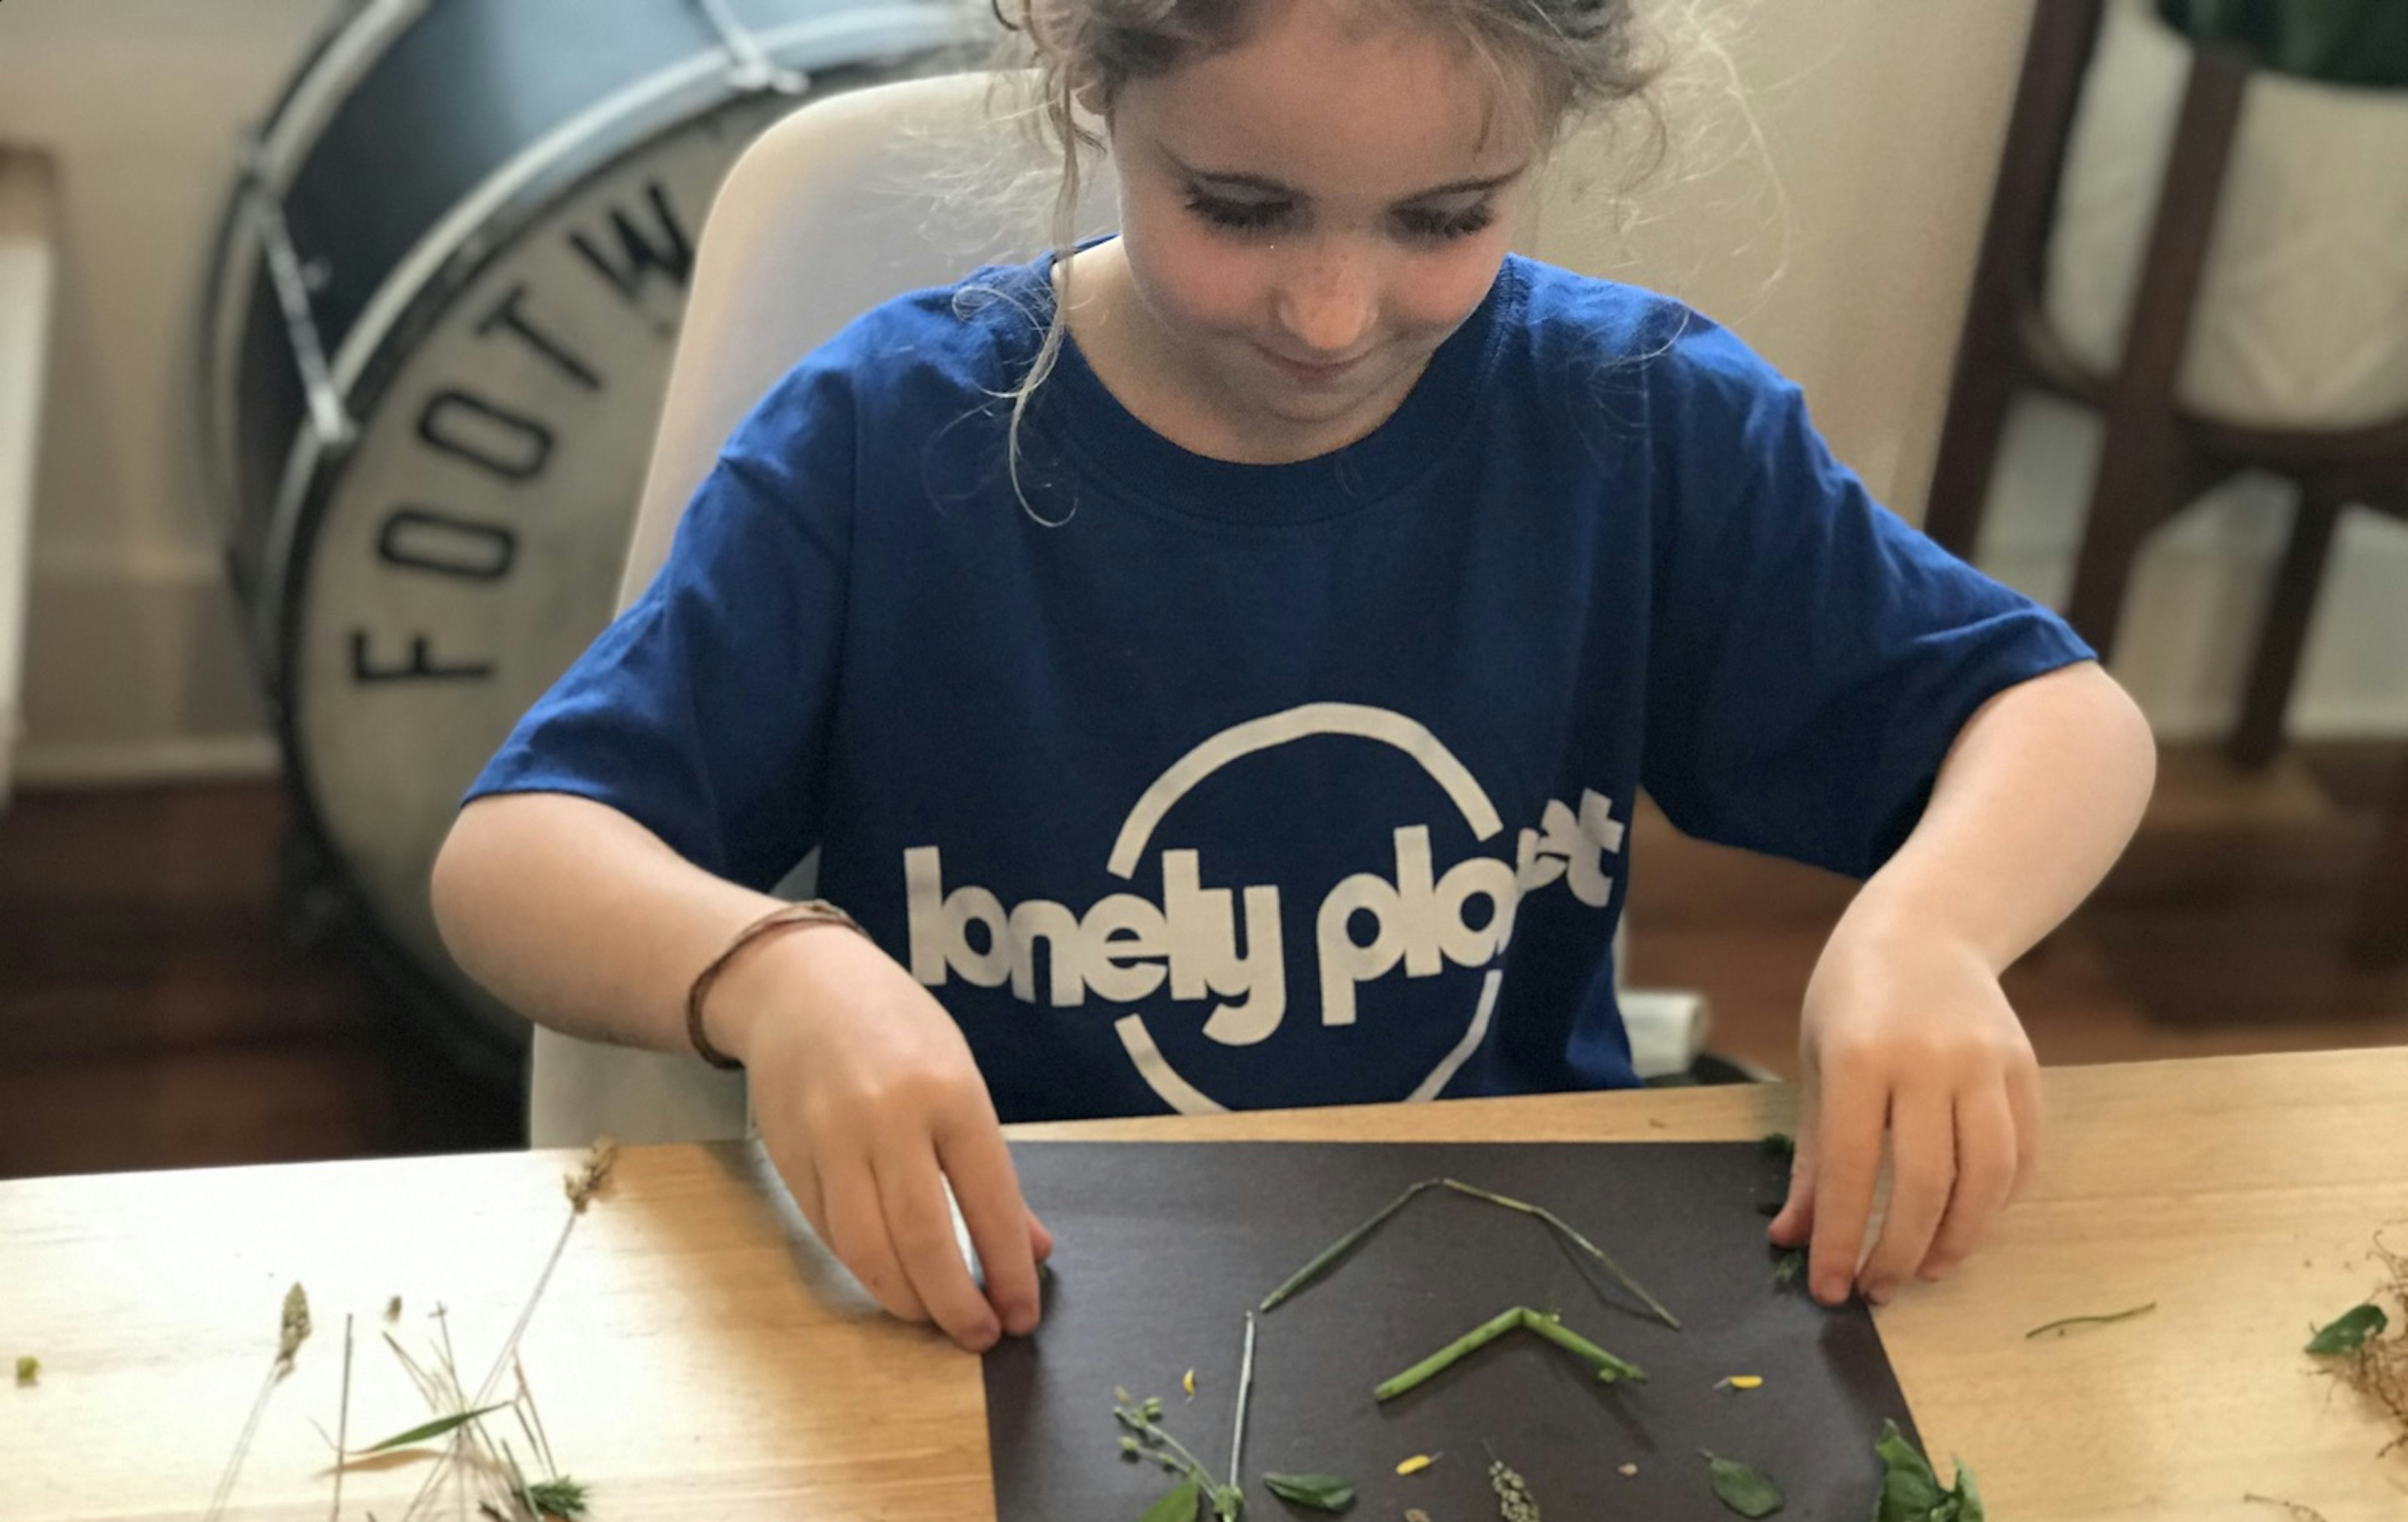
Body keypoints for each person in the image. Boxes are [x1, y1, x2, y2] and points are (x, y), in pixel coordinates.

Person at [430, 0, 2157, 1355]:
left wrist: (1925, 931)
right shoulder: (891, 445)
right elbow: (512, 859)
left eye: (1445, 216)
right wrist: (778, 975)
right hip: (1005, 1306)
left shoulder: (1630, 425)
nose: (1334, 314)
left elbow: (2063, 718)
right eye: (1241, 210)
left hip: (1525, 1304)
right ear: (1081, 57)